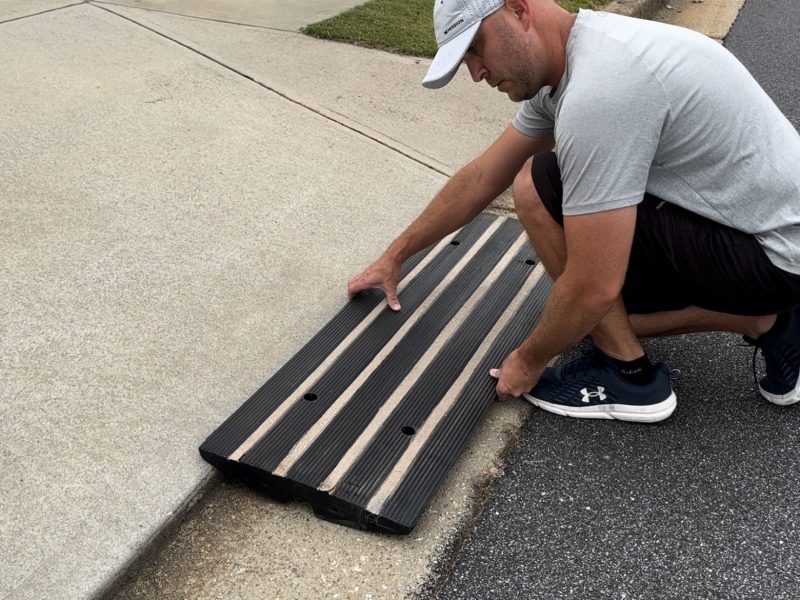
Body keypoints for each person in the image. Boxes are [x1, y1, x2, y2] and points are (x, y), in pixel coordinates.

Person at [346, 0, 800, 422]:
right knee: (585, 308)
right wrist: (395, 256)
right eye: (466, 62)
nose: (477, 74)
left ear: (519, 10)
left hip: (776, 254)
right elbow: (483, 176)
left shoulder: (601, 91)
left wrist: (527, 361)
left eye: (476, 49)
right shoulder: (585, 54)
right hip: (769, 237)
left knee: (542, 197)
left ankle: (630, 380)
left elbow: (594, 288)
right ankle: (769, 320)